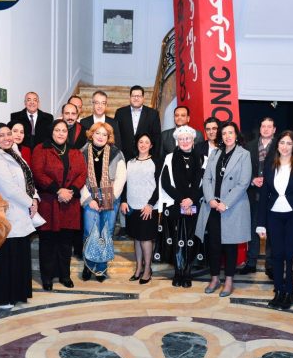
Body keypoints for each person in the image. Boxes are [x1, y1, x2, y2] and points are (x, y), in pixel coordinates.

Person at [0, 123, 38, 309]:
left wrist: (34, 198)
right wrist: (30, 202)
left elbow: (28, 178)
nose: (6, 138)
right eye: (1, 135)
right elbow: (9, 188)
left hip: (20, 211)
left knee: (17, 256)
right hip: (7, 214)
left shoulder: (14, 152)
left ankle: (15, 294)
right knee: (6, 256)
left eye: (8, 134)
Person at [196, 121, 252, 297]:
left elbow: (243, 183)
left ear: (236, 135)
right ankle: (214, 278)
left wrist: (225, 203)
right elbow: (207, 178)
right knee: (214, 245)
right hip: (213, 206)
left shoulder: (244, 154)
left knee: (230, 246)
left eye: (231, 132)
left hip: (232, 207)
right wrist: (210, 199)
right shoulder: (215, 153)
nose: (227, 136)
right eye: (225, 133)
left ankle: (228, 280)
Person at [256, 131, 293, 310]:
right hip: (274, 215)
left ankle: (289, 292)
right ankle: (278, 290)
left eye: (289, 143)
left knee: (290, 254)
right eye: (282, 143)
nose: (285, 147)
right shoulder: (270, 165)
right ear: (277, 145)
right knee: (276, 255)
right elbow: (264, 195)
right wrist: (261, 223)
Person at [31, 120, 87, 290]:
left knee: (65, 242)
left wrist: (70, 191)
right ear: (52, 131)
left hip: (69, 203)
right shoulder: (41, 149)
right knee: (48, 242)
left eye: (64, 130)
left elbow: (82, 173)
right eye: (57, 130)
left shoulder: (75, 151)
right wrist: (58, 190)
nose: (61, 133)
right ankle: (47, 278)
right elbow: (38, 173)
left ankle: (65, 276)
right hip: (49, 202)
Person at [80, 122, 126, 281]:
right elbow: (79, 178)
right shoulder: (82, 153)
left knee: (106, 232)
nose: (100, 137)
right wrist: (88, 199)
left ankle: (101, 268)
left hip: (111, 196)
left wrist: (110, 198)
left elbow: (121, 178)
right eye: (97, 133)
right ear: (91, 134)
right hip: (90, 196)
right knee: (90, 232)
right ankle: (88, 266)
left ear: (109, 137)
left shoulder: (116, 153)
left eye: (104, 134)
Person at [158, 126, 204, 287]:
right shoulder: (169, 158)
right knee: (177, 240)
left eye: (187, 138)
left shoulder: (202, 159)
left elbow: (205, 184)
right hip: (176, 205)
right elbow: (165, 182)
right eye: (181, 139)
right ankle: (178, 273)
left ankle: (187, 273)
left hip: (194, 206)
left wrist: (191, 200)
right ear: (177, 141)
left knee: (191, 240)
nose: (185, 141)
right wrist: (182, 200)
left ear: (193, 140)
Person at [121, 133, 160, 284]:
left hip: (148, 208)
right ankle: (138, 268)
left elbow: (160, 185)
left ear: (151, 145)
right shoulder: (130, 162)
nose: (143, 145)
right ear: (137, 144)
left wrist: (150, 204)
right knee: (137, 238)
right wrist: (124, 201)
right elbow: (124, 183)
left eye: (146, 142)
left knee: (145, 239)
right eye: (140, 142)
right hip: (132, 207)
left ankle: (147, 269)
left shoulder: (156, 161)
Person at [241, 116, 277, 275]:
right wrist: (252, 180)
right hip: (253, 194)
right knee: (253, 229)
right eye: (263, 126)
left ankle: (270, 264)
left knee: (272, 230)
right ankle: (251, 262)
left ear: (274, 130)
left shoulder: (280, 146)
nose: (266, 129)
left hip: (273, 194)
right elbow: (242, 169)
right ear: (260, 128)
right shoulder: (249, 146)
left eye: (269, 126)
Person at [114, 85, 162, 161]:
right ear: (130, 97)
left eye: (139, 96)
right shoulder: (120, 113)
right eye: (133, 96)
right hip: (124, 156)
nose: (136, 98)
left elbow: (157, 137)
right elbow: (116, 135)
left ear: (143, 98)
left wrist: (154, 157)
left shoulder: (153, 114)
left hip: (146, 157)